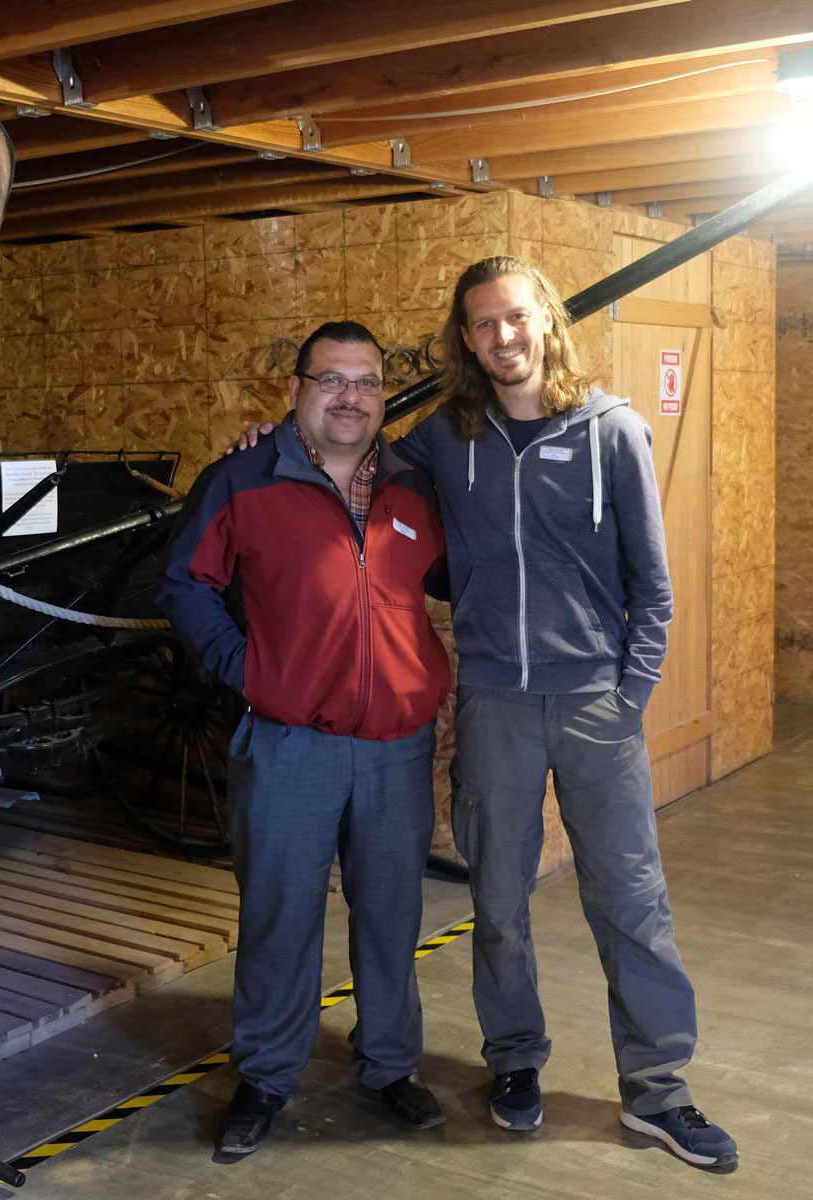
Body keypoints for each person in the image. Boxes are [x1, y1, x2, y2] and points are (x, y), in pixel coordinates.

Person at [229, 258, 736, 1169]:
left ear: (545, 319)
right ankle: (514, 1062)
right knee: (499, 901)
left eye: (515, 318)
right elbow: (345, 447)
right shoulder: (442, 441)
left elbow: (653, 590)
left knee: (630, 904)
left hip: (594, 706)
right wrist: (266, 444)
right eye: (482, 325)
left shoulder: (612, 431)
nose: (502, 337)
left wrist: (630, 700)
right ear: (467, 339)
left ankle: (659, 1090)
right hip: (497, 702)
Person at [158, 320, 453, 1159]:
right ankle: (266, 1077)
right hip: (288, 740)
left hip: (397, 743)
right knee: (281, 915)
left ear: (383, 396)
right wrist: (246, 670)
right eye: (332, 380)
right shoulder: (242, 479)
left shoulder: (413, 486)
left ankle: (391, 1065)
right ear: (295, 389)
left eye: (366, 382)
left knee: (392, 913)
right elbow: (184, 584)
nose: (350, 397)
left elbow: (452, 576)